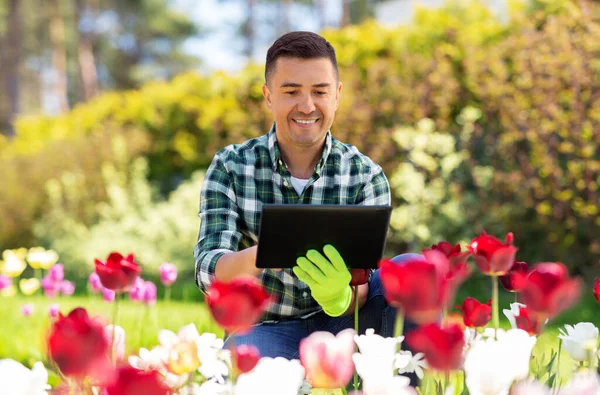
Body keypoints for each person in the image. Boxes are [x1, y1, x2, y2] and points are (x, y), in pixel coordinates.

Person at [194, 31, 408, 361]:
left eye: (319, 92)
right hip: (264, 327)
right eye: (291, 91)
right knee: (237, 375)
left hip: (344, 323)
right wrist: (267, 252)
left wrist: (338, 296)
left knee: (410, 268)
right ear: (268, 96)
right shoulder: (231, 166)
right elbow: (208, 269)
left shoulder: (365, 175)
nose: (306, 106)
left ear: (336, 95)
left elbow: (364, 286)